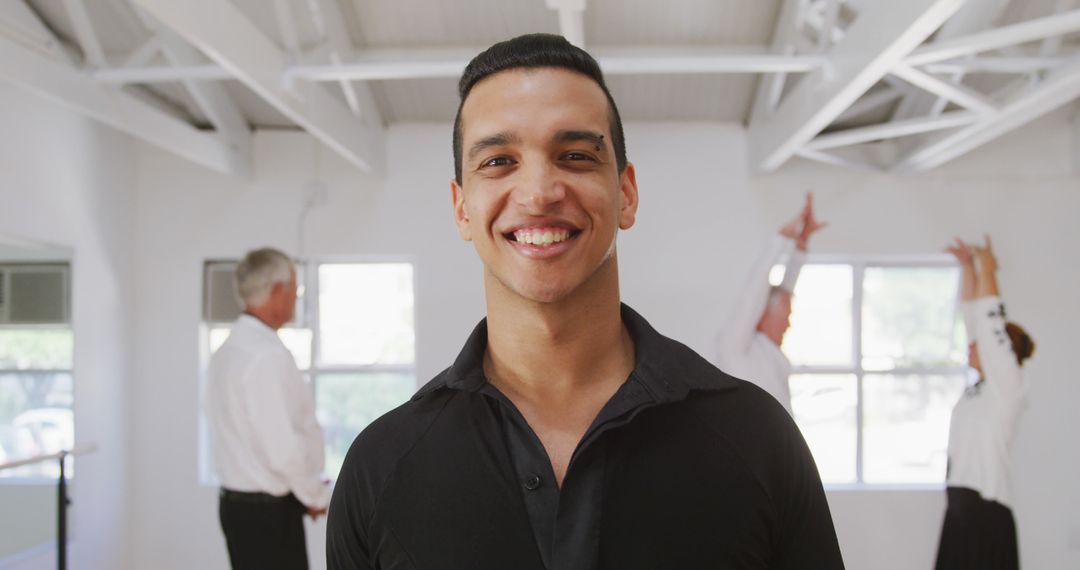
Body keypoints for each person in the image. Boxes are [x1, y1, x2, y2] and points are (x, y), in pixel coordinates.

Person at [327, 34, 843, 569]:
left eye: (574, 155)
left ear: (626, 193)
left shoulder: (758, 439)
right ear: (461, 209)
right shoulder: (380, 466)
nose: (539, 192)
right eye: (499, 160)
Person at [205, 247, 328, 570]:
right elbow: (281, 448)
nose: (295, 299)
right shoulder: (264, 356)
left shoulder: (227, 352)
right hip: (267, 514)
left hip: (239, 507)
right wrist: (315, 496)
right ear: (277, 291)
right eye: (295, 290)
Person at [937, 236, 1034, 570]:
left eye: (980, 345)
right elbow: (974, 318)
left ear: (1000, 354)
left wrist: (988, 269)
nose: (971, 346)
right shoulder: (979, 389)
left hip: (986, 512)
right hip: (961, 505)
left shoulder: (1007, 386)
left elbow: (988, 320)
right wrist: (967, 267)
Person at [715, 193, 825, 414]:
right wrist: (781, 239)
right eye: (786, 319)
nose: (788, 325)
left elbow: (784, 293)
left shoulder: (769, 351)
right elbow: (753, 294)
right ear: (762, 315)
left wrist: (800, 248)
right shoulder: (736, 347)